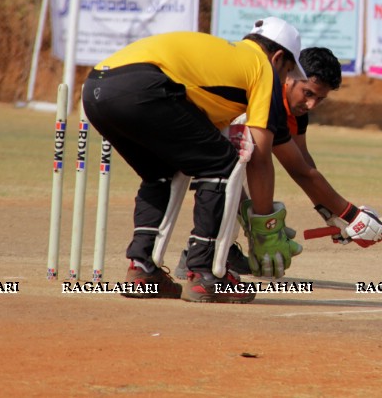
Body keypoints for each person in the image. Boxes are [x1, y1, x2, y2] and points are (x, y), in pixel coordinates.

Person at [81, 18, 307, 304]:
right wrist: (265, 227)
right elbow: (260, 156)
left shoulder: (225, 56)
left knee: (159, 172)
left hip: (94, 88)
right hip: (144, 85)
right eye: (287, 69)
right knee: (223, 164)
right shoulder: (263, 68)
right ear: (277, 57)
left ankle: (142, 270)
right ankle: (204, 274)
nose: (285, 78)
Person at [173, 46, 382, 279]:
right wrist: (351, 215)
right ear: (290, 76)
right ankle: (201, 255)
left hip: (203, 144)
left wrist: (332, 215)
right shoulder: (267, 94)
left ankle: (220, 250)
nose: (311, 105)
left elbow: (303, 163)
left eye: (320, 99)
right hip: (181, 129)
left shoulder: (296, 110)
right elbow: (299, 170)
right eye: (308, 93)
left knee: (241, 169)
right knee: (239, 166)